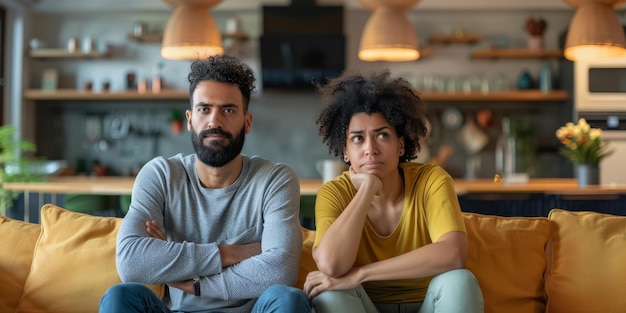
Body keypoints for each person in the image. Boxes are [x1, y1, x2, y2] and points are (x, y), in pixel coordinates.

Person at [99, 54, 308, 313]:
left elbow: (280, 271)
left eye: (228, 110)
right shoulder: (161, 174)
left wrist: (194, 282)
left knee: (287, 299)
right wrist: (233, 253)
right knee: (121, 296)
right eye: (204, 109)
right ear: (189, 119)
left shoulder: (275, 179)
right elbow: (132, 263)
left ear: (247, 121)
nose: (214, 122)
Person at [302, 70, 484, 312]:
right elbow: (330, 265)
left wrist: (361, 274)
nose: (370, 149)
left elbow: (453, 254)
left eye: (382, 135)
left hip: (430, 304)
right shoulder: (334, 193)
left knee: (460, 282)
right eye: (357, 139)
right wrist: (366, 191)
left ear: (400, 145)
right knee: (329, 293)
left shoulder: (431, 179)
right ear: (345, 152)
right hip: (364, 306)